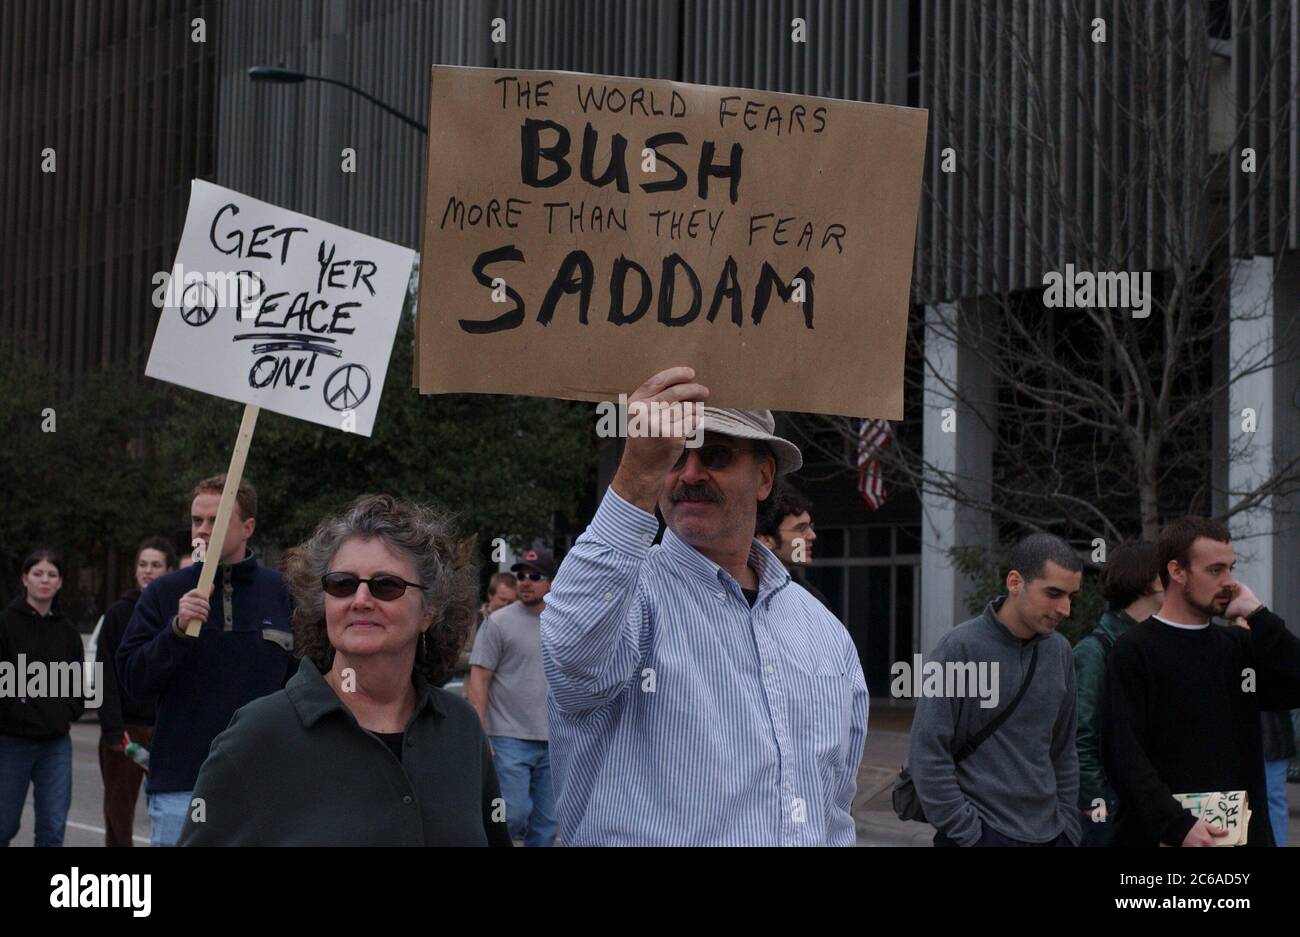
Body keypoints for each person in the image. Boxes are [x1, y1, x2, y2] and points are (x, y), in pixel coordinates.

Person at [542, 367, 868, 846]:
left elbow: (833, 808)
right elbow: (572, 662)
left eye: (715, 454)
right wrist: (636, 473)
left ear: (763, 476)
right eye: (675, 456)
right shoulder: (627, 595)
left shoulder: (822, 631)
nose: (690, 474)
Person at [179, 494, 511, 846]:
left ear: (429, 611)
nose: (361, 600)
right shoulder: (258, 736)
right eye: (342, 584)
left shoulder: (461, 730)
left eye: (386, 585)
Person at [117, 475, 295, 846]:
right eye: (197, 520)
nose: (202, 530)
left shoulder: (282, 593)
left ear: (248, 527)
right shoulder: (164, 593)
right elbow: (133, 680)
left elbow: (305, 686)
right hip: (182, 786)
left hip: (265, 788)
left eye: (215, 521)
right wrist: (176, 631)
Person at [1104, 516, 1300, 846]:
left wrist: (1258, 614)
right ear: (1177, 572)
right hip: (1164, 840)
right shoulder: (1134, 651)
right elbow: (1123, 753)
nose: (1229, 582)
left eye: (1230, 568)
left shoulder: (1237, 647)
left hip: (1237, 839)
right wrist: (1177, 825)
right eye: (1214, 570)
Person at [909, 533, 1083, 847]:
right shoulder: (959, 647)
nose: (1065, 609)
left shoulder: (1060, 652)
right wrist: (970, 834)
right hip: (980, 832)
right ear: (1015, 583)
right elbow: (928, 752)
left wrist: (1068, 828)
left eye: (1071, 596)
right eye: (1054, 593)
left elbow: (1064, 750)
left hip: (1051, 834)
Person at [1074, 541, 1162, 846]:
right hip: (1111, 806)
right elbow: (1081, 735)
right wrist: (1098, 804)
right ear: (1152, 581)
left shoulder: (1152, 643)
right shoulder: (1095, 651)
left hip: (1147, 800)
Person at [468, 550, 557, 846]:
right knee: (513, 814)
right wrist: (480, 730)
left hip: (554, 738)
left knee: (547, 825)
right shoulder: (498, 622)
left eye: (534, 576)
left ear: (552, 583)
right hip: (508, 736)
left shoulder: (563, 622)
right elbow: (479, 677)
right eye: (520, 576)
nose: (525, 582)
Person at [0, 549, 85, 847]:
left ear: (60, 582)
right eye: (37, 574)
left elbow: (79, 686)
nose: (44, 580)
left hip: (55, 745)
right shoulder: (6, 624)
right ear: (25, 579)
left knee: (52, 827)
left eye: (51, 575)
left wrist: (67, 712)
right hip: (11, 743)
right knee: (4, 825)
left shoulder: (68, 632)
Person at [96, 537, 176, 846]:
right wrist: (113, 730)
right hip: (126, 731)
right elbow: (104, 673)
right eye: (143, 565)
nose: (148, 571)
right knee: (119, 814)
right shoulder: (118, 614)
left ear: (168, 570)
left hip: (168, 729)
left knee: (173, 811)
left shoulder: (179, 612)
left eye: (156, 565)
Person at [756, 481, 832, 611]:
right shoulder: (744, 592)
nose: (812, 535)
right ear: (767, 540)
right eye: (801, 529)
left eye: (810, 527)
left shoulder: (814, 600)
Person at [454, 571, 516, 674]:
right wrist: (490, 658)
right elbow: (457, 658)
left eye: (511, 602)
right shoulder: (473, 620)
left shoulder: (517, 623)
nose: (507, 606)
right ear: (490, 595)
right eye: (503, 599)